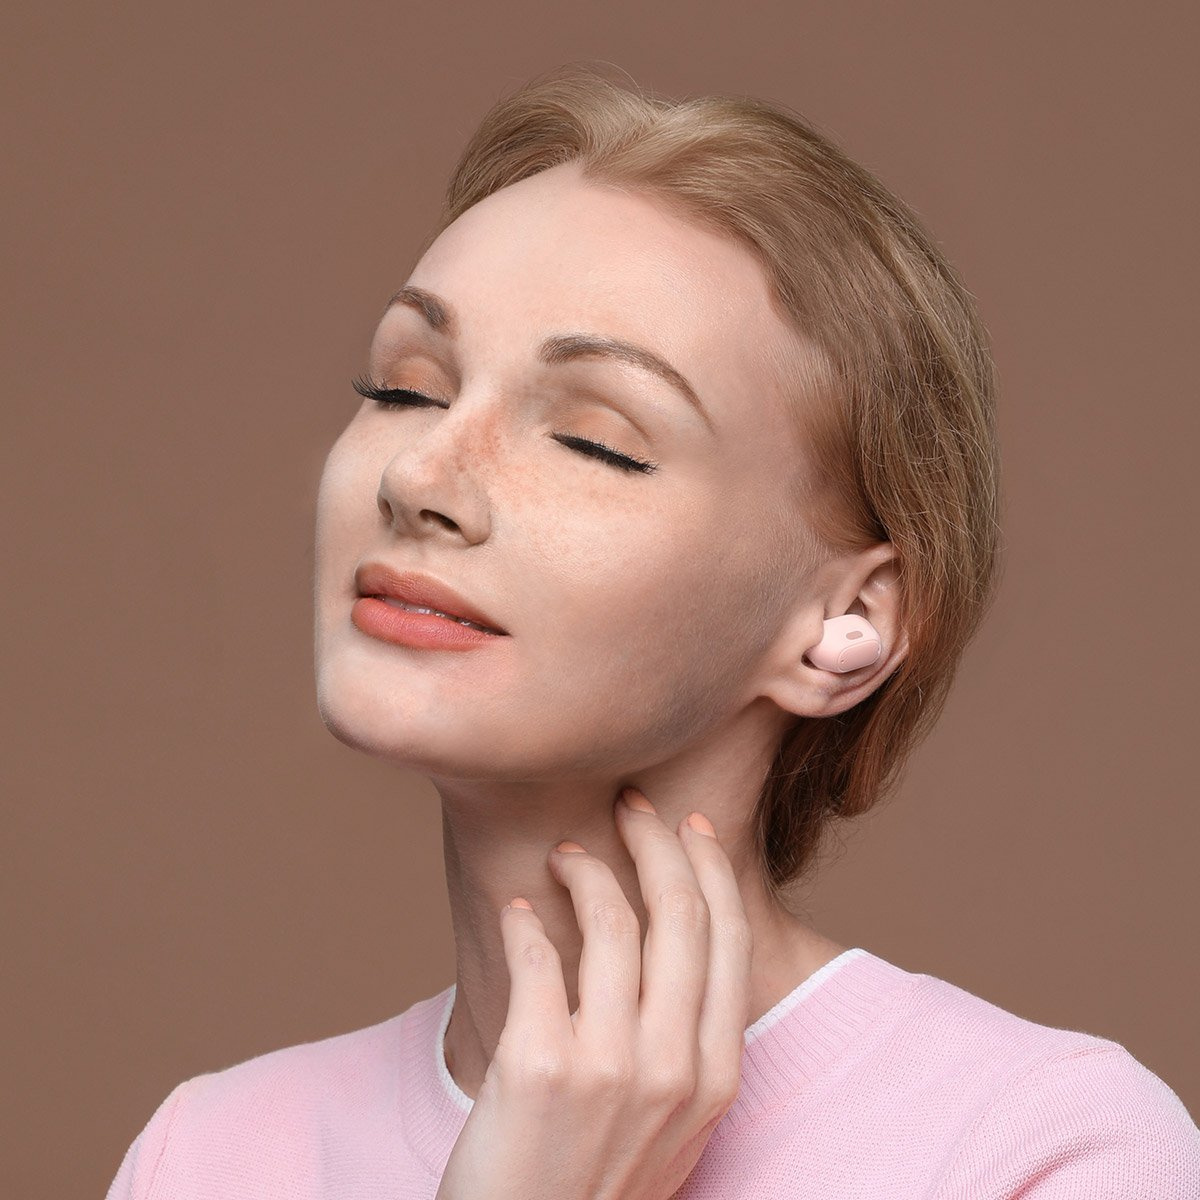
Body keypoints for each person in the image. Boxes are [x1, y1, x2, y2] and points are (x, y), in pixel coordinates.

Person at [105, 63, 1199, 1199]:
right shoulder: (210, 1157)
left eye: (595, 441)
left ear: (843, 621)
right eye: (405, 390)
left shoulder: (1049, 1150)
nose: (419, 476)